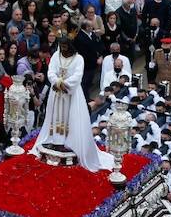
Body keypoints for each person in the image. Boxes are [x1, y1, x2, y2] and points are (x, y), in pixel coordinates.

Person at [33, 37, 112, 172]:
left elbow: (78, 75)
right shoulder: (56, 57)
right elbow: (50, 72)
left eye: (65, 46)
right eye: (61, 46)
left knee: (71, 117)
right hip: (57, 92)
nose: (63, 49)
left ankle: (69, 140)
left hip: (72, 94)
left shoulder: (78, 58)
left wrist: (65, 85)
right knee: (56, 116)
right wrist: (57, 82)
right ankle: (56, 139)